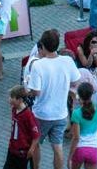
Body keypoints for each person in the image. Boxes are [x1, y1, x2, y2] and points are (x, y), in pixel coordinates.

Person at [26, 29, 81, 169]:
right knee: (58, 148)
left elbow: (36, 92)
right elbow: (76, 82)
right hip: (61, 114)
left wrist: (29, 89)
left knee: (36, 143)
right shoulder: (67, 61)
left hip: (41, 114)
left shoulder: (38, 65)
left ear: (43, 46)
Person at [68, 82, 97, 169]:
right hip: (93, 150)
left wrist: (69, 157)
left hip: (80, 149)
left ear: (79, 96)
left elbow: (76, 137)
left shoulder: (76, 113)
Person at [5, 86, 41, 169]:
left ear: (20, 100)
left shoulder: (28, 116)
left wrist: (31, 150)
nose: (9, 99)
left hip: (22, 152)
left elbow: (36, 136)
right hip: (12, 149)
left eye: (12, 97)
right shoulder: (14, 109)